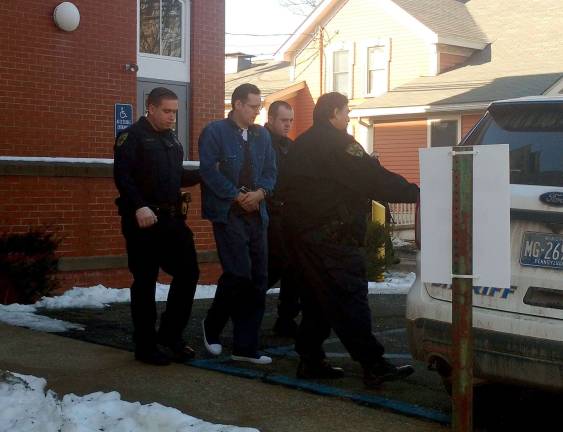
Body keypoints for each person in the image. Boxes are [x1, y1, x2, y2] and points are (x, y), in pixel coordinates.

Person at [278, 92, 419, 387]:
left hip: (301, 236)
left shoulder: (302, 143)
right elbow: (373, 177)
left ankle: (311, 360)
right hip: (333, 236)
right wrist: (416, 192)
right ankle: (373, 363)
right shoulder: (339, 143)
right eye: (346, 112)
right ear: (333, 113)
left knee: (317, 298)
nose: (349, 118)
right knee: (350, 297)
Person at [113, 87, 200, 366]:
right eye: (166, 111)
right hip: (143, 221)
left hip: (171, 219)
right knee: (145, 281)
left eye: (175, 112)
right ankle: (145, 345)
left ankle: (170, 336)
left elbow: (176, 177)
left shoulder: (172, 140)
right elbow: (123, 177)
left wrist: (205, 173)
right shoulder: (132, 138)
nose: (172, 117)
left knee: (189, 273)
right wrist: (139, 205)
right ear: (150, 108)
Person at [199, 83, 276, 364]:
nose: (258, 111)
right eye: (254, 106)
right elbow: (207, 171)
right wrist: (236, 195)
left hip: (257, 213)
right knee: (238, 273)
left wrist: (261, 192)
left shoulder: (262, 135)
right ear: (238, 104)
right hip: (228, 213)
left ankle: (246, 346)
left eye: (259, 105)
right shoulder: (214, 132)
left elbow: (270, 171)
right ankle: (212, 325)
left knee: (258, 279)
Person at [264, 101, 301, 338]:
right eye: (283, 120)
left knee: (293, 267)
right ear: (270, 118)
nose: (287, 125)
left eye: (290, 120)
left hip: (289, 214)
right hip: (267, 213)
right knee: (273, 266)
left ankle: (286, 319)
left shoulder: (291, 146)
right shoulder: (260, 141)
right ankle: (242, 308)